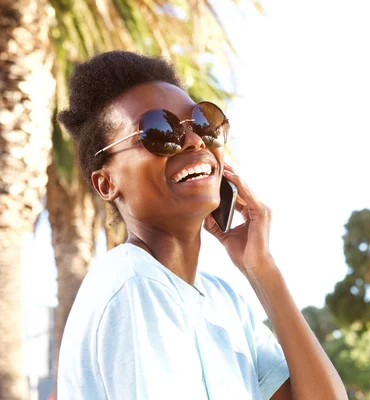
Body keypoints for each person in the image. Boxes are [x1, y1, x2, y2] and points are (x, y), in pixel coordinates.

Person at [56, 51, 346, 400]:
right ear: (106, 183)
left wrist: (263, 271)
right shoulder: (134, 285)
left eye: (203, 123)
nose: (194, 141)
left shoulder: (223, 301)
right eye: (158, 131)